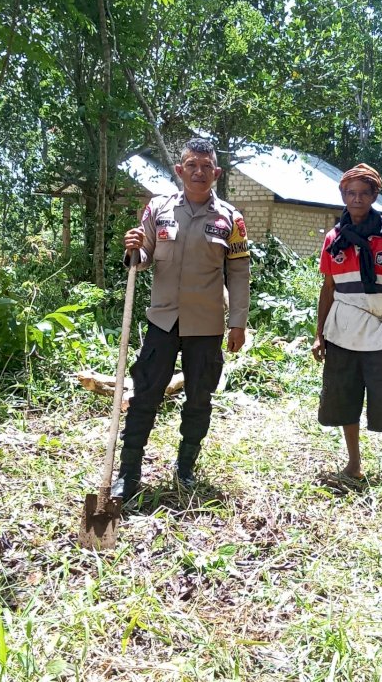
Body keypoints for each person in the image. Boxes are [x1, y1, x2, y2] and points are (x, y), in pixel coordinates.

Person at [111, 138, 250, 499]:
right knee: (144, 396)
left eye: (206, 166)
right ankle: (128, 473)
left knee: (199, 399)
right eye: (192, 165)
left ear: (216, 173)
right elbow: (143, 258)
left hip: (206, 326)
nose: (199, 172)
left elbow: (238, 273)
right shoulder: (158, 209)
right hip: (163, 321)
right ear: (179, 170)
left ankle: (185, 468)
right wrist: (134, 249)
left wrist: (238, 322)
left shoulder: (231, 219)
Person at [311, 163, 382, 478]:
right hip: (340, 332)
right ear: (343, 195)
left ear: (373, 196)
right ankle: (354, 464)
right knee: (345, 398)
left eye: (363, 194)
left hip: (378, 330)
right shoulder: (334, 239)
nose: (356, 199)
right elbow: (328, 290)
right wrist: (319, 334)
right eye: (350, 193)